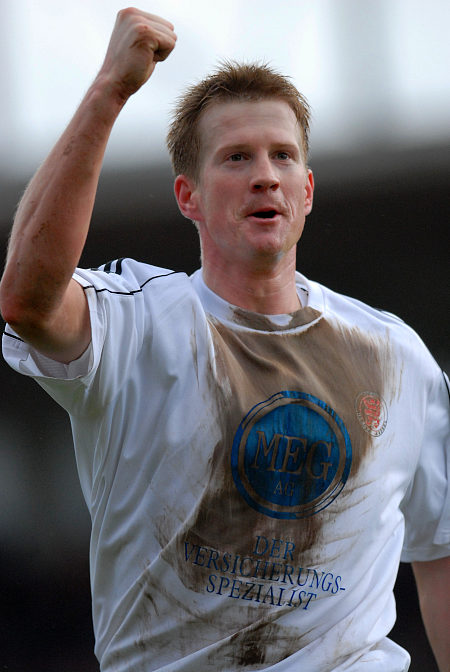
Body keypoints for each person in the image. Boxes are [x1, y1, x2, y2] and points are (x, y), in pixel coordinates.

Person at [1, 8, 449, 672]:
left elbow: (440, 551)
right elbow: (29, 300)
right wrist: (109, 91)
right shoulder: (136, 324)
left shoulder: (396, 356)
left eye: (282, 156)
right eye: (237, 158)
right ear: (189, 197)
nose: (265, 174)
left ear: (306, 191)